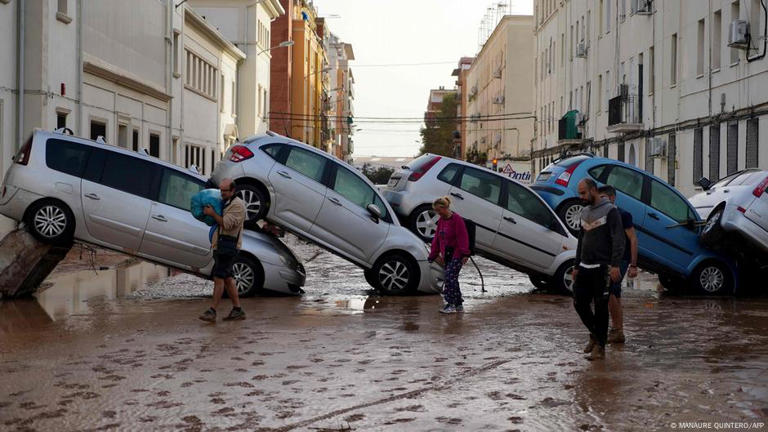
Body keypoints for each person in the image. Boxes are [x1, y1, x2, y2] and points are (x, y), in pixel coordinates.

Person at [572, 179, 625, 360]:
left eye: (583, 193)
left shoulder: (611, 211)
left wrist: (615, 265)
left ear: (593, 190)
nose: (581, 197)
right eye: (579, 193)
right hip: (585, 266)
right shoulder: (585, 212)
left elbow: (619, 239)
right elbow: (581, 240)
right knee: (579, 303)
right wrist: (576, 265)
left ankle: (600, 348)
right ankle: (595, 334)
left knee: (601, 307)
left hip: (603, 267)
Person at [199, 178, 247, 322]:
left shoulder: (238, 206)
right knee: (227, 278)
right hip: (221, 245)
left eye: (225, 191)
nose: (222, 193)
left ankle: (212, 311)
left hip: (228, 247)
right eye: (221, 190)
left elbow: (226, 224)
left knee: (218, 277)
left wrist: (213, 213)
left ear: (233, 191)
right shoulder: (226, 202)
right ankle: (238, 310)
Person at [598, 185, 638, 344]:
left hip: (620, 259)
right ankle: (617, 330)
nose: (600, 201)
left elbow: (633, 239)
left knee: (610, 292)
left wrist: (633, 265)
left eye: (603, 198)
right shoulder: (601, 215)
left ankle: (616, 330)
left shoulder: (623, 215)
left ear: (612, 198)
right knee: (615, 294)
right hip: (607, 259)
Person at [428, 196, 470, 314]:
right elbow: (437, 238)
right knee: (452, 279)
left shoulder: (457, 220)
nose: (438, 213)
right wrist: (433, 254)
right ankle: (458, 305)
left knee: (449, 277)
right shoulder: (441, 221)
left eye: (439, 210)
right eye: (436, 210)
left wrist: (465, 254)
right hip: (446, 255)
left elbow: (463, 237)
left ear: (445, 208)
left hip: (457, 254)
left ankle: (450, 304)